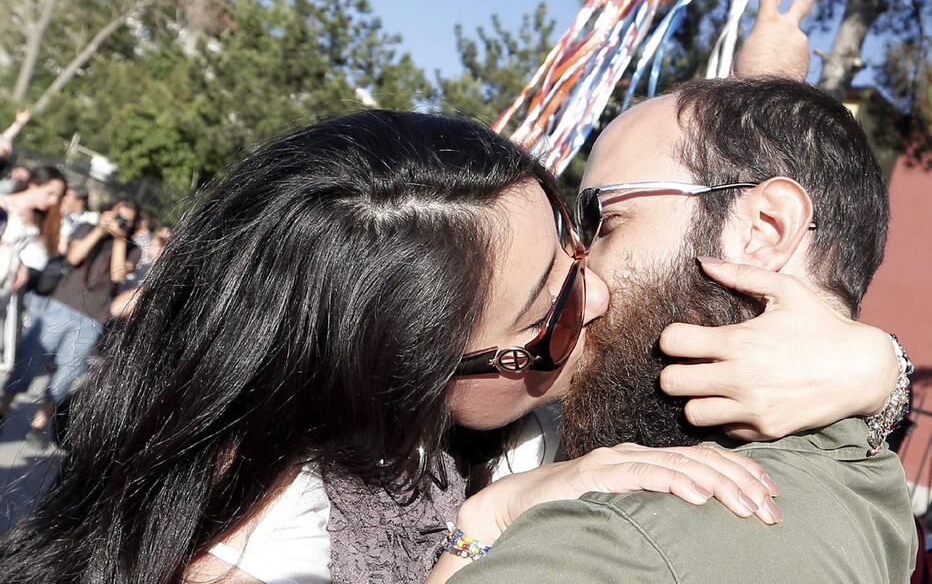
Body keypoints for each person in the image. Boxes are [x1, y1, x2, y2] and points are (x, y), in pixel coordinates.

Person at [0, 108, 905, 584]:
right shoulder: (269, 550)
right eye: (549, 322)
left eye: (578, 237)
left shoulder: (495, 417)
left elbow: (717, 212)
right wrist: (488, 525)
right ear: (403, 380)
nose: (593, 296)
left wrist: (877, 368)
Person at [446, 78, 918, 584]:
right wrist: (882, 368)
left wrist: (485, 522)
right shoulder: (873, 494)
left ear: (766, 228)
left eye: (604, 220)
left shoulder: (609, 545)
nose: (583, 275)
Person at [0, 198, 140, 441]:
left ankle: (39, 423)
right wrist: (100, 230)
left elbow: (118, 274)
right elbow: (74, 257)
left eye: (126, 221)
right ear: (108, 211)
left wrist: (120, 239)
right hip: (60, 305)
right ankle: (3, 409)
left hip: (93, 317)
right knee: (30, 359)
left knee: (68, 370)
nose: (120, 222)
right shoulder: (86, 228)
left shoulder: (132, 248)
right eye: (118, 216)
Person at [0, 166, 66, 370]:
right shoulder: (4, 202)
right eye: (50, 193)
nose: (53, 200)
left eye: (57, 196)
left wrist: (22, 268)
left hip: (9, 280)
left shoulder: (38, 216)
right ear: (34, 184)